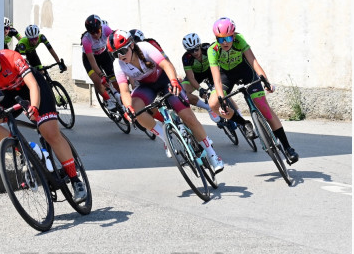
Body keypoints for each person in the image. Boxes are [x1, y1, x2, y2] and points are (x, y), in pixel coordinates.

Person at [0, 35, 87, 202]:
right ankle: (24, 148)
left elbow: (33, 85)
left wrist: (34, 108)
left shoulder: (11, 58)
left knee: (49, 132)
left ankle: (75, 180)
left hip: (36, 89)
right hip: (11, 95)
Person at [107, 30, 225, 173]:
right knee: (135, 109)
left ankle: (212, 154)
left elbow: (166, 64)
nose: (120, 56)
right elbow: (124, 90)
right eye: (115, 54)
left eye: (123, 51)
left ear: (131, 45)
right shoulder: (118, 64)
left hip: (164, 80)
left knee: (188, 117)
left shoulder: (144, 47)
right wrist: (128, 108)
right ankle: (165, 138)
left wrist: (174, 81)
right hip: (146, 87)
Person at [207, 17, 299, 163]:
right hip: (226, 76)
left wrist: (266, 81)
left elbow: (253, 61)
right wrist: (222, 101)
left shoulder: (239, 40)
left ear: (234, 35)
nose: (225, 42)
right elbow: (216, 79)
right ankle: (243, 123)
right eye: (220, 39)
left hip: (245, 71)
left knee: (263, 107)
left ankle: (288, 148)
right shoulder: (213, 50)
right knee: (213, 104)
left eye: (228, 37)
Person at [179, 33, 223, 124]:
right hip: (196, 76)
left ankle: (238, 114)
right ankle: (208, 108)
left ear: (200, 46)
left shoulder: (207, 48)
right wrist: (200, 89)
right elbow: (190, 77)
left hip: (210, 71)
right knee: (182, 93)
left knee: (222, 89)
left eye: (196, 49)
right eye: (191, 51)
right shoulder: (186, 58)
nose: (195, 52)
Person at [81, 15, 119, 111]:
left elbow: (115, 46)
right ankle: (107, 100)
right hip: (90, 59)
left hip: (103, 54)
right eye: (92, 33)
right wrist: (101, 75)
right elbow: (93, 62)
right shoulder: (86, 40)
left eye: (97, 31)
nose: (95, 35)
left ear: (101, 28)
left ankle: (121, 98)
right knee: (98, 80)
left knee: (114, 78)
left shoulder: (106, 30)